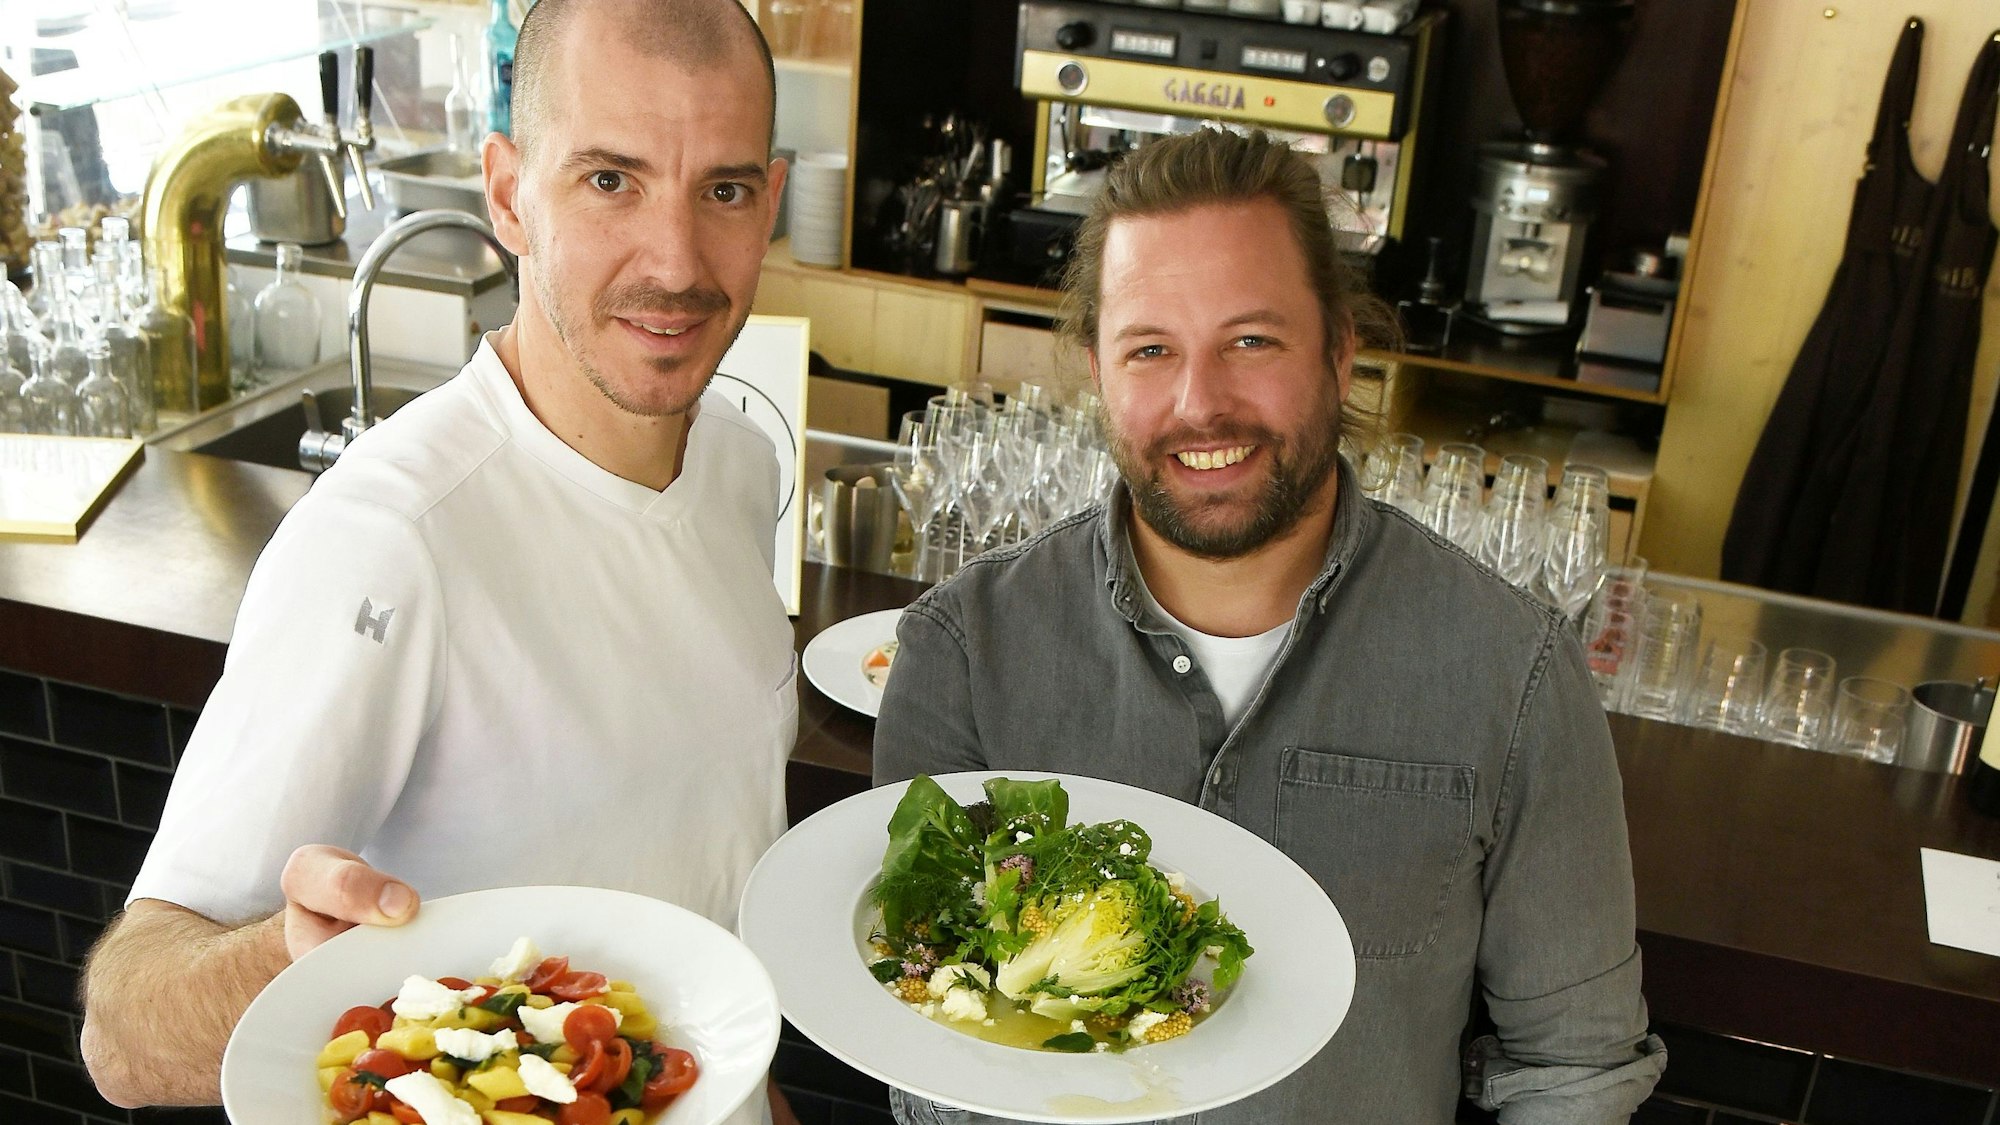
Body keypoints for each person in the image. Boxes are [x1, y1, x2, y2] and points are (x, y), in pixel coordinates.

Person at [80, 3, 799, 1123]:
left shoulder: (741, 466)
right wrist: (291, 960)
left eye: (723, 189)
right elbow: (122, 1036)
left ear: (772, 198)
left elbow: (694, 906)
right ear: (508, 193)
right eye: (610, 181)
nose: (676, 262)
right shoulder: (390, 539)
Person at [872, 128, 1667, 1125]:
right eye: (1150, 350)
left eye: (1250, 341)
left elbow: (1575, 1067)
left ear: (1339, 352)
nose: (1200, 403)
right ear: (1094, 369)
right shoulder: (960, 651)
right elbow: (921, 1035)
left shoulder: (1512, 670)